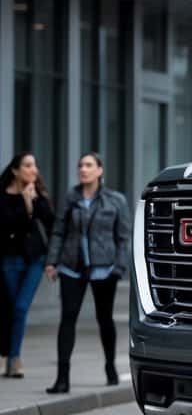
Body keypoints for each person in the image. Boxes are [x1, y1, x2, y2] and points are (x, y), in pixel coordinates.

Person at [44, 153, 130, 394]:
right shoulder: (70, 198)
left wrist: (119, 268)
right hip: (72, 266)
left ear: (100, 171)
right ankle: (62, 378)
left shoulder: (116, 200)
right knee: (68, 317)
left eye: (89, 165)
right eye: (81, 165)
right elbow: (58, 232)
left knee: (104, 319)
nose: (83, 169)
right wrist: (52, 262)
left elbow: (123, 238)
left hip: (104, 269)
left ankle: (110, 367)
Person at [0, 153, 54, 378]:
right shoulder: (3, 196)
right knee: (9, 309)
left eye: (35, 165)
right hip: (9, 259)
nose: (34, 170)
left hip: (34, 259)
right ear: (15, 170)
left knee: (21, 307)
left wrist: (52, 261)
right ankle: (6, 354)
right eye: (28, 165)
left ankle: (14, 358)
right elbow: (7, 224)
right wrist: (25, 205)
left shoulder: (38, 194)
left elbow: (51, 225)